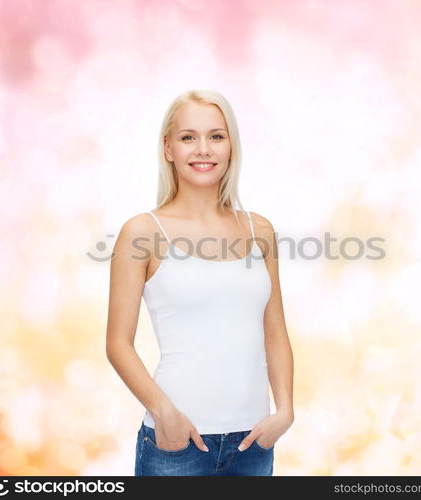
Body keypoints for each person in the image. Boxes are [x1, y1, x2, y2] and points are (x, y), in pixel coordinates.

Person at [106, 89, 294, 476]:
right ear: (168, 149)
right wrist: (164, 413)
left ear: (231, 148)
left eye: (216, 136)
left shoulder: (259, 230)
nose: (203, 149)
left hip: (253, 443)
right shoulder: (143, 231)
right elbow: (117, 344)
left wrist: (286, 409)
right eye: (188, 137)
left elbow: (274, 332)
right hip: (178, 443)